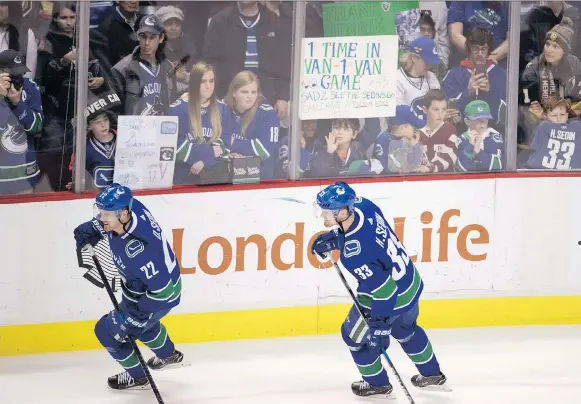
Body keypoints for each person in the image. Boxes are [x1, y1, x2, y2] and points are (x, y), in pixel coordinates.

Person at [310, 181, 448, 398]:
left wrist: (380, 327)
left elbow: (385, 291)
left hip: (391, 296)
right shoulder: (364, 206)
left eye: (326, 211)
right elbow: (370, 237)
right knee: (406, 330)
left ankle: (377, 384)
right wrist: (338, 238)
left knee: (354, 338)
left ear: (343, 211)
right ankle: (432, 375)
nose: (322, 216)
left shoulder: (355, 254)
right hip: (409, 283)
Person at [73, 184, 184, 390]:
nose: (101, 217)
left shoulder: (140, 251)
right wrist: (92, 228)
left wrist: (137, 315)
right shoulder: (132, 209)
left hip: (155, 298)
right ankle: (169, 355)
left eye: (106, 214)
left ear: (123, 214)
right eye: (101, 212)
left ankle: (138, 376)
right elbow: (105, 220)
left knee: (106, 332)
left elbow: (164, 291)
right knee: (145, 329)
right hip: (145, 289)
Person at [169, 62, 232, 184]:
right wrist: (211, 152)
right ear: (194, 83)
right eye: (203, 82)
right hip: (183, 178)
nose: (208, 86)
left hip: (212, 179)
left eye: (211, 81)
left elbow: (226, 146)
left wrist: (204, 161)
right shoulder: (178, 109)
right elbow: (176, 148)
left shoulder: (222, 109)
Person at [110, 14, 185, 116]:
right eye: (143, 36)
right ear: (137, 36)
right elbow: (113, 111)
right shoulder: (122, 69)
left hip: (161, 128)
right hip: (135, 129)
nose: (147, 43)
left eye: (152, 37)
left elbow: (173, 102)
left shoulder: (168, 67)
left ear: (161, 38)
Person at [225, 70, 280, 179]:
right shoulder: (223, 110)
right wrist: (228, 155)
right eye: (244, 92)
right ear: (234, 93)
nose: (250, 97)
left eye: (253, 92)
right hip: (227, 178)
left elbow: (264, 150)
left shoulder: (267, 114)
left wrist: (233, 143)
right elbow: (215, 143)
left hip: (261, 180)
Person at [524, 95, 581, 169]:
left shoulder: (543, 126)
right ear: (546, 117)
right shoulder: (577, 126)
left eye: (562, 114)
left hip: (571, 176)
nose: (559, 119)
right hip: (545, 175)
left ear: (567, 115)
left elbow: (533, 148)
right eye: (554, 115)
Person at [455, 100, 504, 172]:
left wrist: (479, 152)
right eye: (477, 119)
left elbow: (499, 165)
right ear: (467, 121)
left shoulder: (494, 137)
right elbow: (459, 168)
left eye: (485, 118)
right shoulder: (461, 140)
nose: (482, 122)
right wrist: (470, 146)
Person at [417, 89, 459, 172]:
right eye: (435, 109)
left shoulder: (450, 130)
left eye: (443, 109)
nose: (440, 114)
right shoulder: (417, 132)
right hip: (421, 182)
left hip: (444, 181)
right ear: (425, 110)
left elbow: (451, 156)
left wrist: (430, 168)